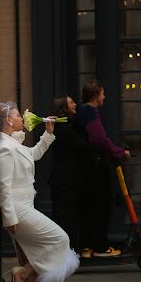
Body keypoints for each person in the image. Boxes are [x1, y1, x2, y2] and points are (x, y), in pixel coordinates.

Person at [0, 101, 79, 282]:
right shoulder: (4, 148)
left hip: (24, 206)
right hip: (18, 210)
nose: (22, 117)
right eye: (17, 114)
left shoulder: (13, 143)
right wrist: (10, 218)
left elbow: (33, 155)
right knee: (60, 239)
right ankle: (20, 275)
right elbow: (3, 187)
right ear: (8, 120)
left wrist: (47, 134)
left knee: (27, 257)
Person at [76, 80, 131, 258]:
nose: (104, 96)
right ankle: (100, 247)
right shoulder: (90, 112)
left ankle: (86, 247)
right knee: (101, 205)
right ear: (95, 95)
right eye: (102, 93)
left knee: (88, 206)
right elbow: (99, 140)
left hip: (86, 166)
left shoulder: (83, 112)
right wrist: (120, 152)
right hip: (96, 166)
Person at [50, 95, 92, 251]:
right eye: (71, 102)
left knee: (65, 217)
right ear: (64, 107)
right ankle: (68, 251)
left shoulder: (64, 126)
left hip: (64, 180)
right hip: (67, 181)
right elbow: (82, 146)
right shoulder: (65, 127)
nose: (75, 104)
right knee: (67, 218)